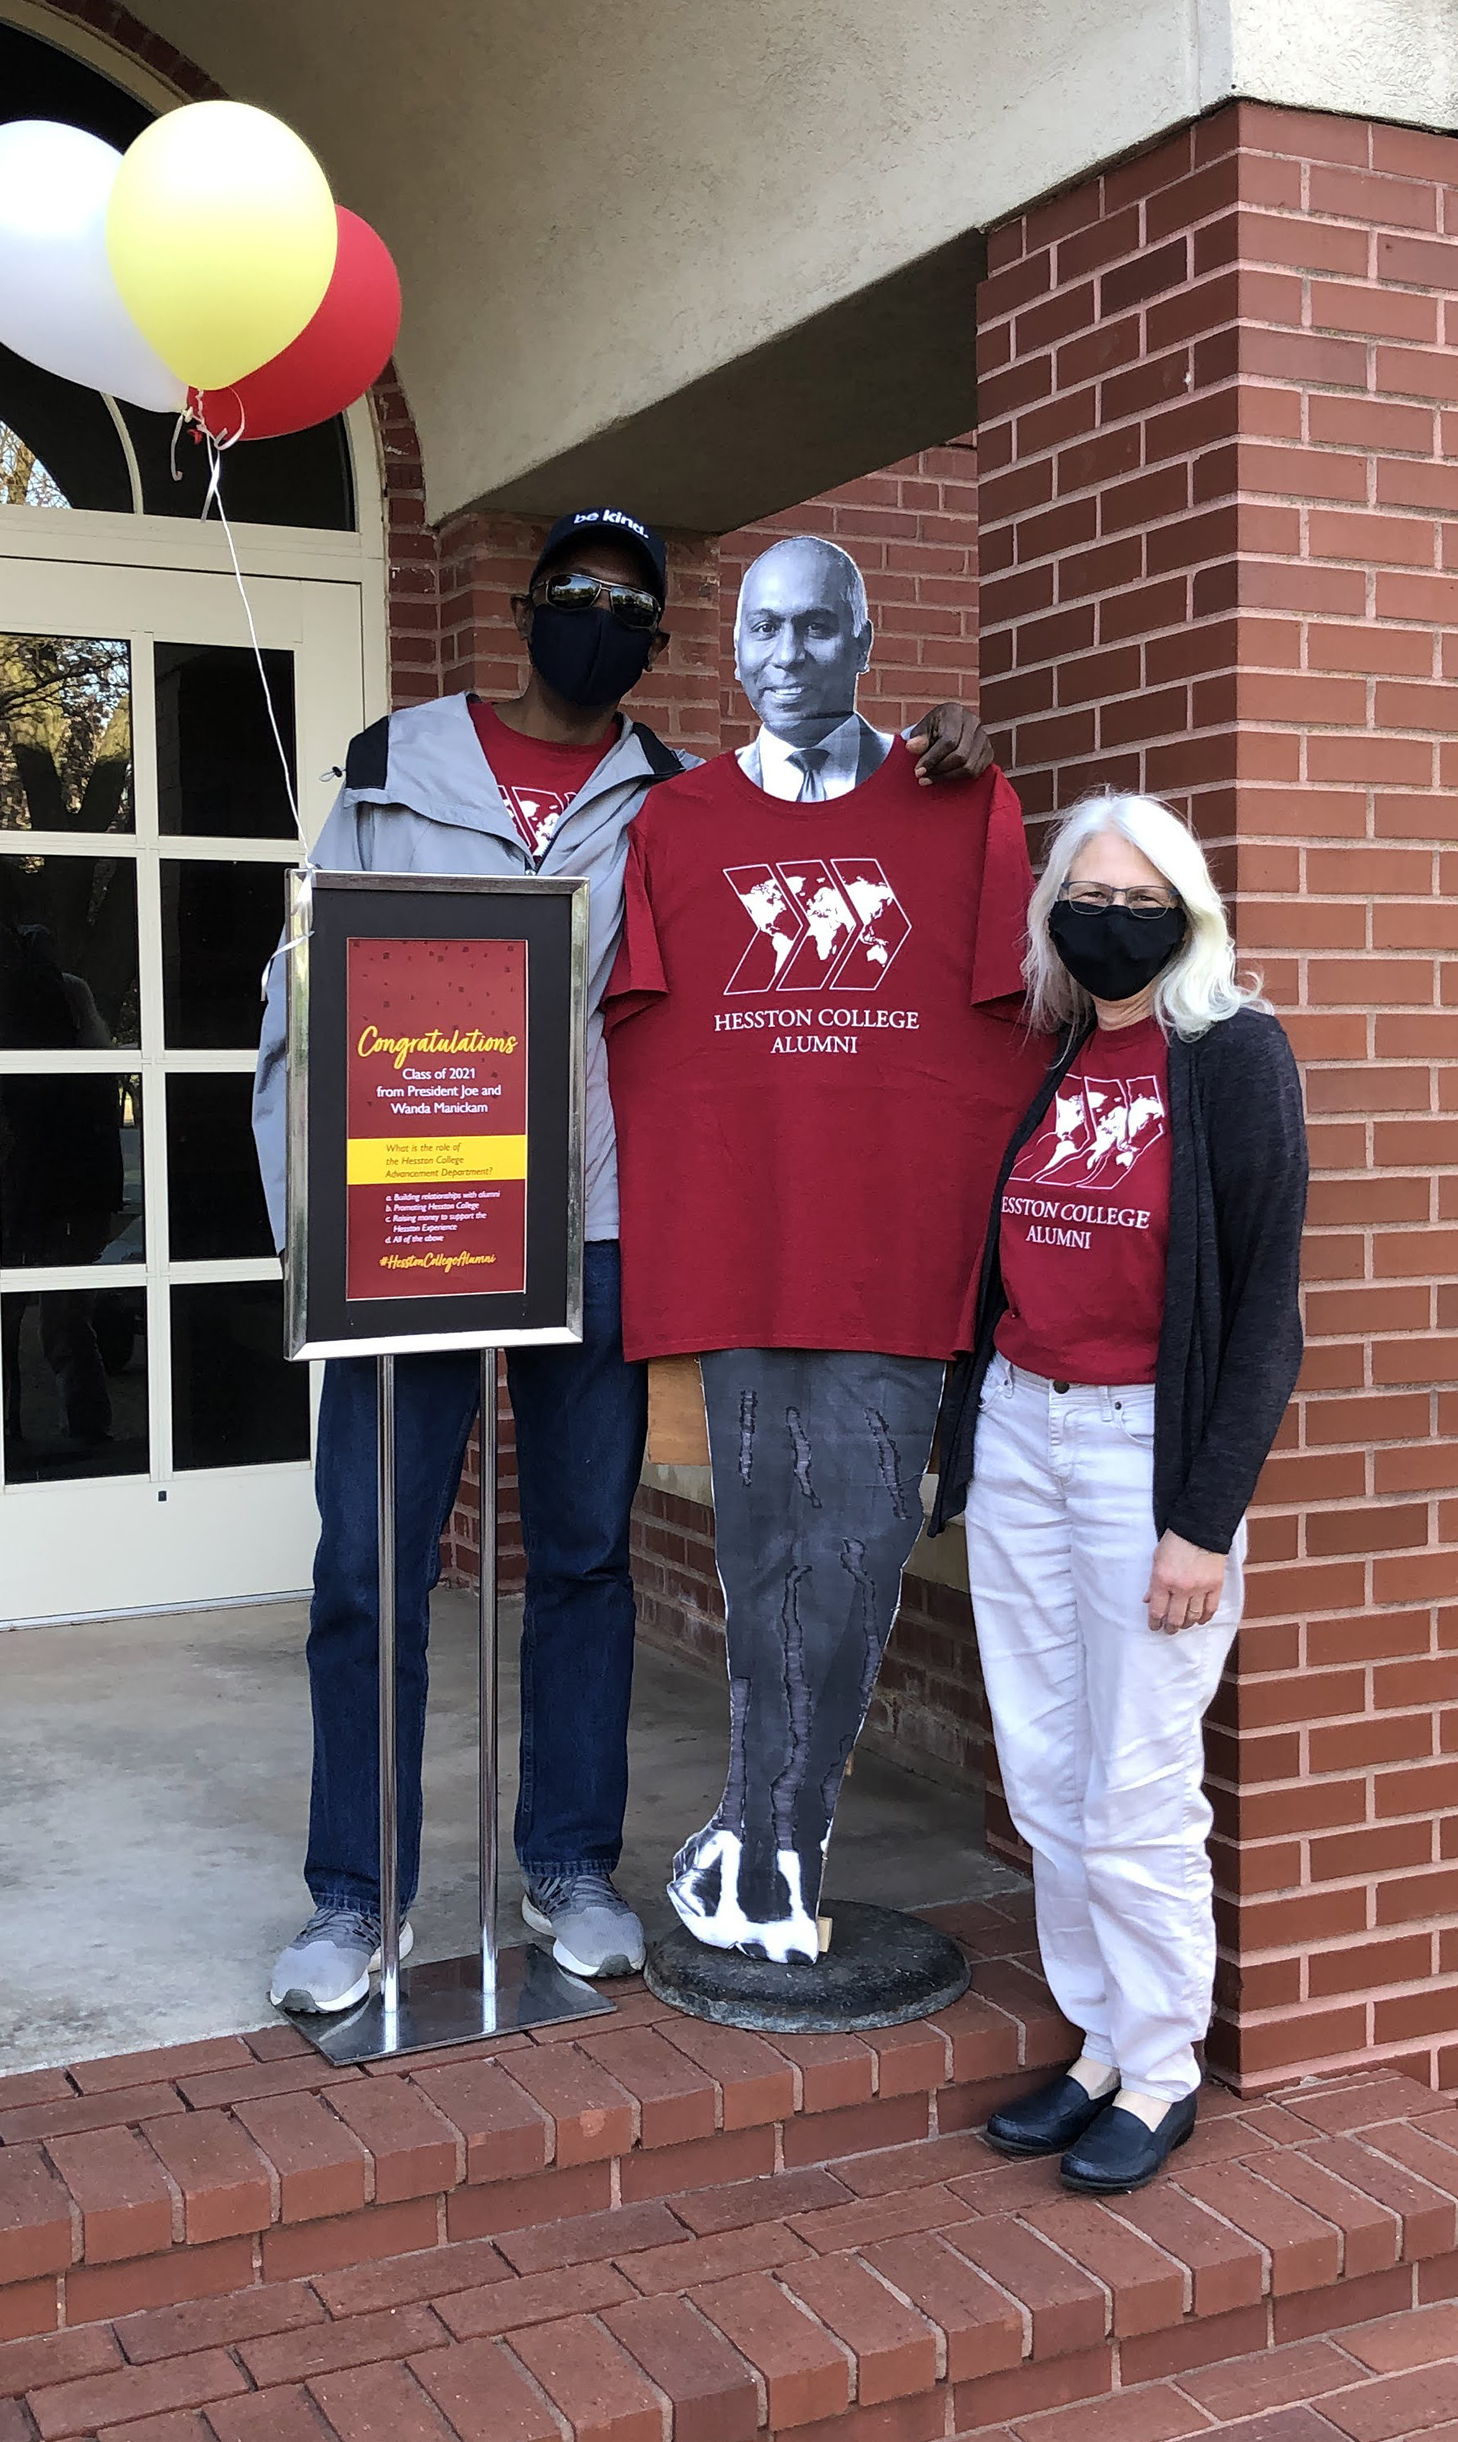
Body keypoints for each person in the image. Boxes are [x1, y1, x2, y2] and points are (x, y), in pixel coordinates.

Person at [253, 504, 996, 2012]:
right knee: (367, 1568)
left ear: (659, 643)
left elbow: (825, 856)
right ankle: (356, 1898)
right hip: (409, 1232)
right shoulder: (395, 772)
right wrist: (319, 1233)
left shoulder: (672, 802)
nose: (596, 614)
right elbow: (303, 1012)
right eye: (573, 590)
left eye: (629, 602)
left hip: (592, 1237)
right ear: (525, 608)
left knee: (585, 1566)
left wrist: (925, 762)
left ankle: (573, 1867)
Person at [604, 534, 1042, 1965]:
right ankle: (763, 1838)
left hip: (894, 1262)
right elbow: (629, 1042)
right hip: (743, 1252)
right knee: (758, 1554)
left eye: (814, 632)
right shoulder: (672, 829)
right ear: (731, 651)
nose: (784, 660)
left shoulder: (964, 809)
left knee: (850, 1558)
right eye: (760, 633)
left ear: (865, 640)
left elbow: (1010, 1025)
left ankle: (774, 1835)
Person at [931, 789, 1308, 2196]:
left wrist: (1202, 1520)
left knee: (1137, 1782)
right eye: (1088, 896)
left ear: (1189, 914)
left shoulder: (1233, 1056)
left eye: (1142, 901)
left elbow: (1267, 1306)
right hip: (1027, 1433)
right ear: (1053, 918)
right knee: (1044, 1769)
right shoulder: (1064, 1056)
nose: (1112, 920)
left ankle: (1161, 2069)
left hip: (1145, 1454)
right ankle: (1097, 2038)